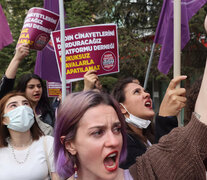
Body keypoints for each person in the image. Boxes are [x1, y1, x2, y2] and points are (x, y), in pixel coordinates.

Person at [54, 68, 207, 179]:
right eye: (98, 132)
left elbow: (194, 139)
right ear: (69, 144)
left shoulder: (142, 173)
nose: (114, 141)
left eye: (117, 129)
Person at [111, 75, 186, 168]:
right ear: (122, 108)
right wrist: (165, 119)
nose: (147, 94)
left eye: (145, 91)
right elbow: (160, 171)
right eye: (137, 92)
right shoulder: (123, 144)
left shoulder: (150, 134)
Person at [0, 91, 59, 179]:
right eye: (13, 105)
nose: (22, 108)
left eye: (26, 104)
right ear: (4, 120)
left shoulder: (48, 143)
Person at [0, 44, 54, 135]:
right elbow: (6, 85)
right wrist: (17, 59)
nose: (37, 90)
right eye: (31, 87)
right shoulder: (13, 113)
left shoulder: (48, 113)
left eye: (39, 86)